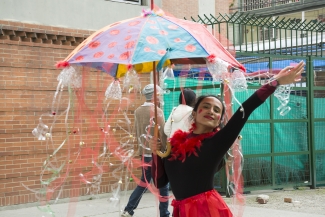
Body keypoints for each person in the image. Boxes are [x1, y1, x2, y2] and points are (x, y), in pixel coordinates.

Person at [151, 61, 305, 217]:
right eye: (206, 106)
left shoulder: (217, 142)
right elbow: (160, 182)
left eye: (216, 110)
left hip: (206, 210)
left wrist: (275, 82)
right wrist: (155, 152)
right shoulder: (175, 144)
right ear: (195, 112)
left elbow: (247, 108)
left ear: (219, 121)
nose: (211, 111)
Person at [121, 84, 170, 217]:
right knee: (163, 184)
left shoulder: (137, 111)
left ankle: (128, 209)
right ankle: (164, 214)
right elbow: (162, 133)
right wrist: (166, 150)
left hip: (144, 152)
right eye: (158, 94)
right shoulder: (157, 111)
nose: (160, 97)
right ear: (154, 96)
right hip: (156, 153)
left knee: (144, 182)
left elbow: (137, 132)